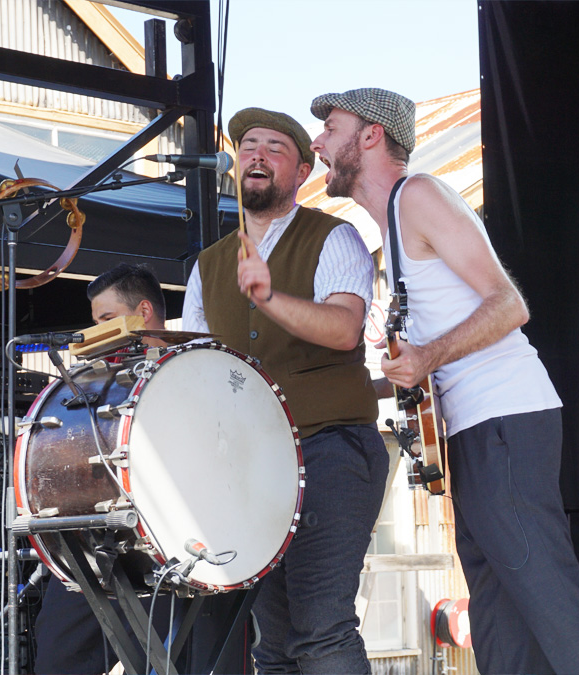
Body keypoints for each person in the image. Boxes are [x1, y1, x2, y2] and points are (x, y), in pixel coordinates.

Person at [308, 88, 579, 675]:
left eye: (331, 128)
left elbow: (509, 305)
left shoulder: (419, 195)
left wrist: (427, 355)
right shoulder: (392, 230)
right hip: (472, 430)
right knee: (497, 619)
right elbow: (428, 361)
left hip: (503, 418)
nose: (317, 142)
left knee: (551, 600)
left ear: (371, 135)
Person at [182, 108, 388, 674]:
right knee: (272, 645)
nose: (257, 154)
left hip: (331, 449)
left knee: (321, 628)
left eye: (275, 148)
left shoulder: (335, 236)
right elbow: (199, 370)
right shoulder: (207, 266)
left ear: (301, 172)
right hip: (251, 464)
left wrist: (269, 297)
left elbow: (344, 329)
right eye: (249, 145)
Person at [33, 263, 168, 675]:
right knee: (58, 656)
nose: (96, 332)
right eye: (94, 322)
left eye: (106, 319)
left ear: (143, 311)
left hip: (167, 548)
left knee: (168, 660)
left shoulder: (189, 370)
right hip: (94, 541)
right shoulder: (94, 381)